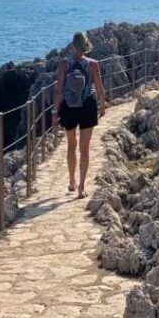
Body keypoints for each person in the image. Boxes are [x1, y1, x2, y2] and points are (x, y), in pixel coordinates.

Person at [54, 31, 107, 198]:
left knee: (71, 145)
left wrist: (56, 111)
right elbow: (99, 87)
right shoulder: (93, 64)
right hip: (87, 106)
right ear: (86, 45)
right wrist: (102, 104)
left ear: (73, 45)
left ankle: (71, 181)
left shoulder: (64, 64)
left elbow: (58, 90)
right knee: (85, 148)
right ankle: (81, 187)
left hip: (69, 107)